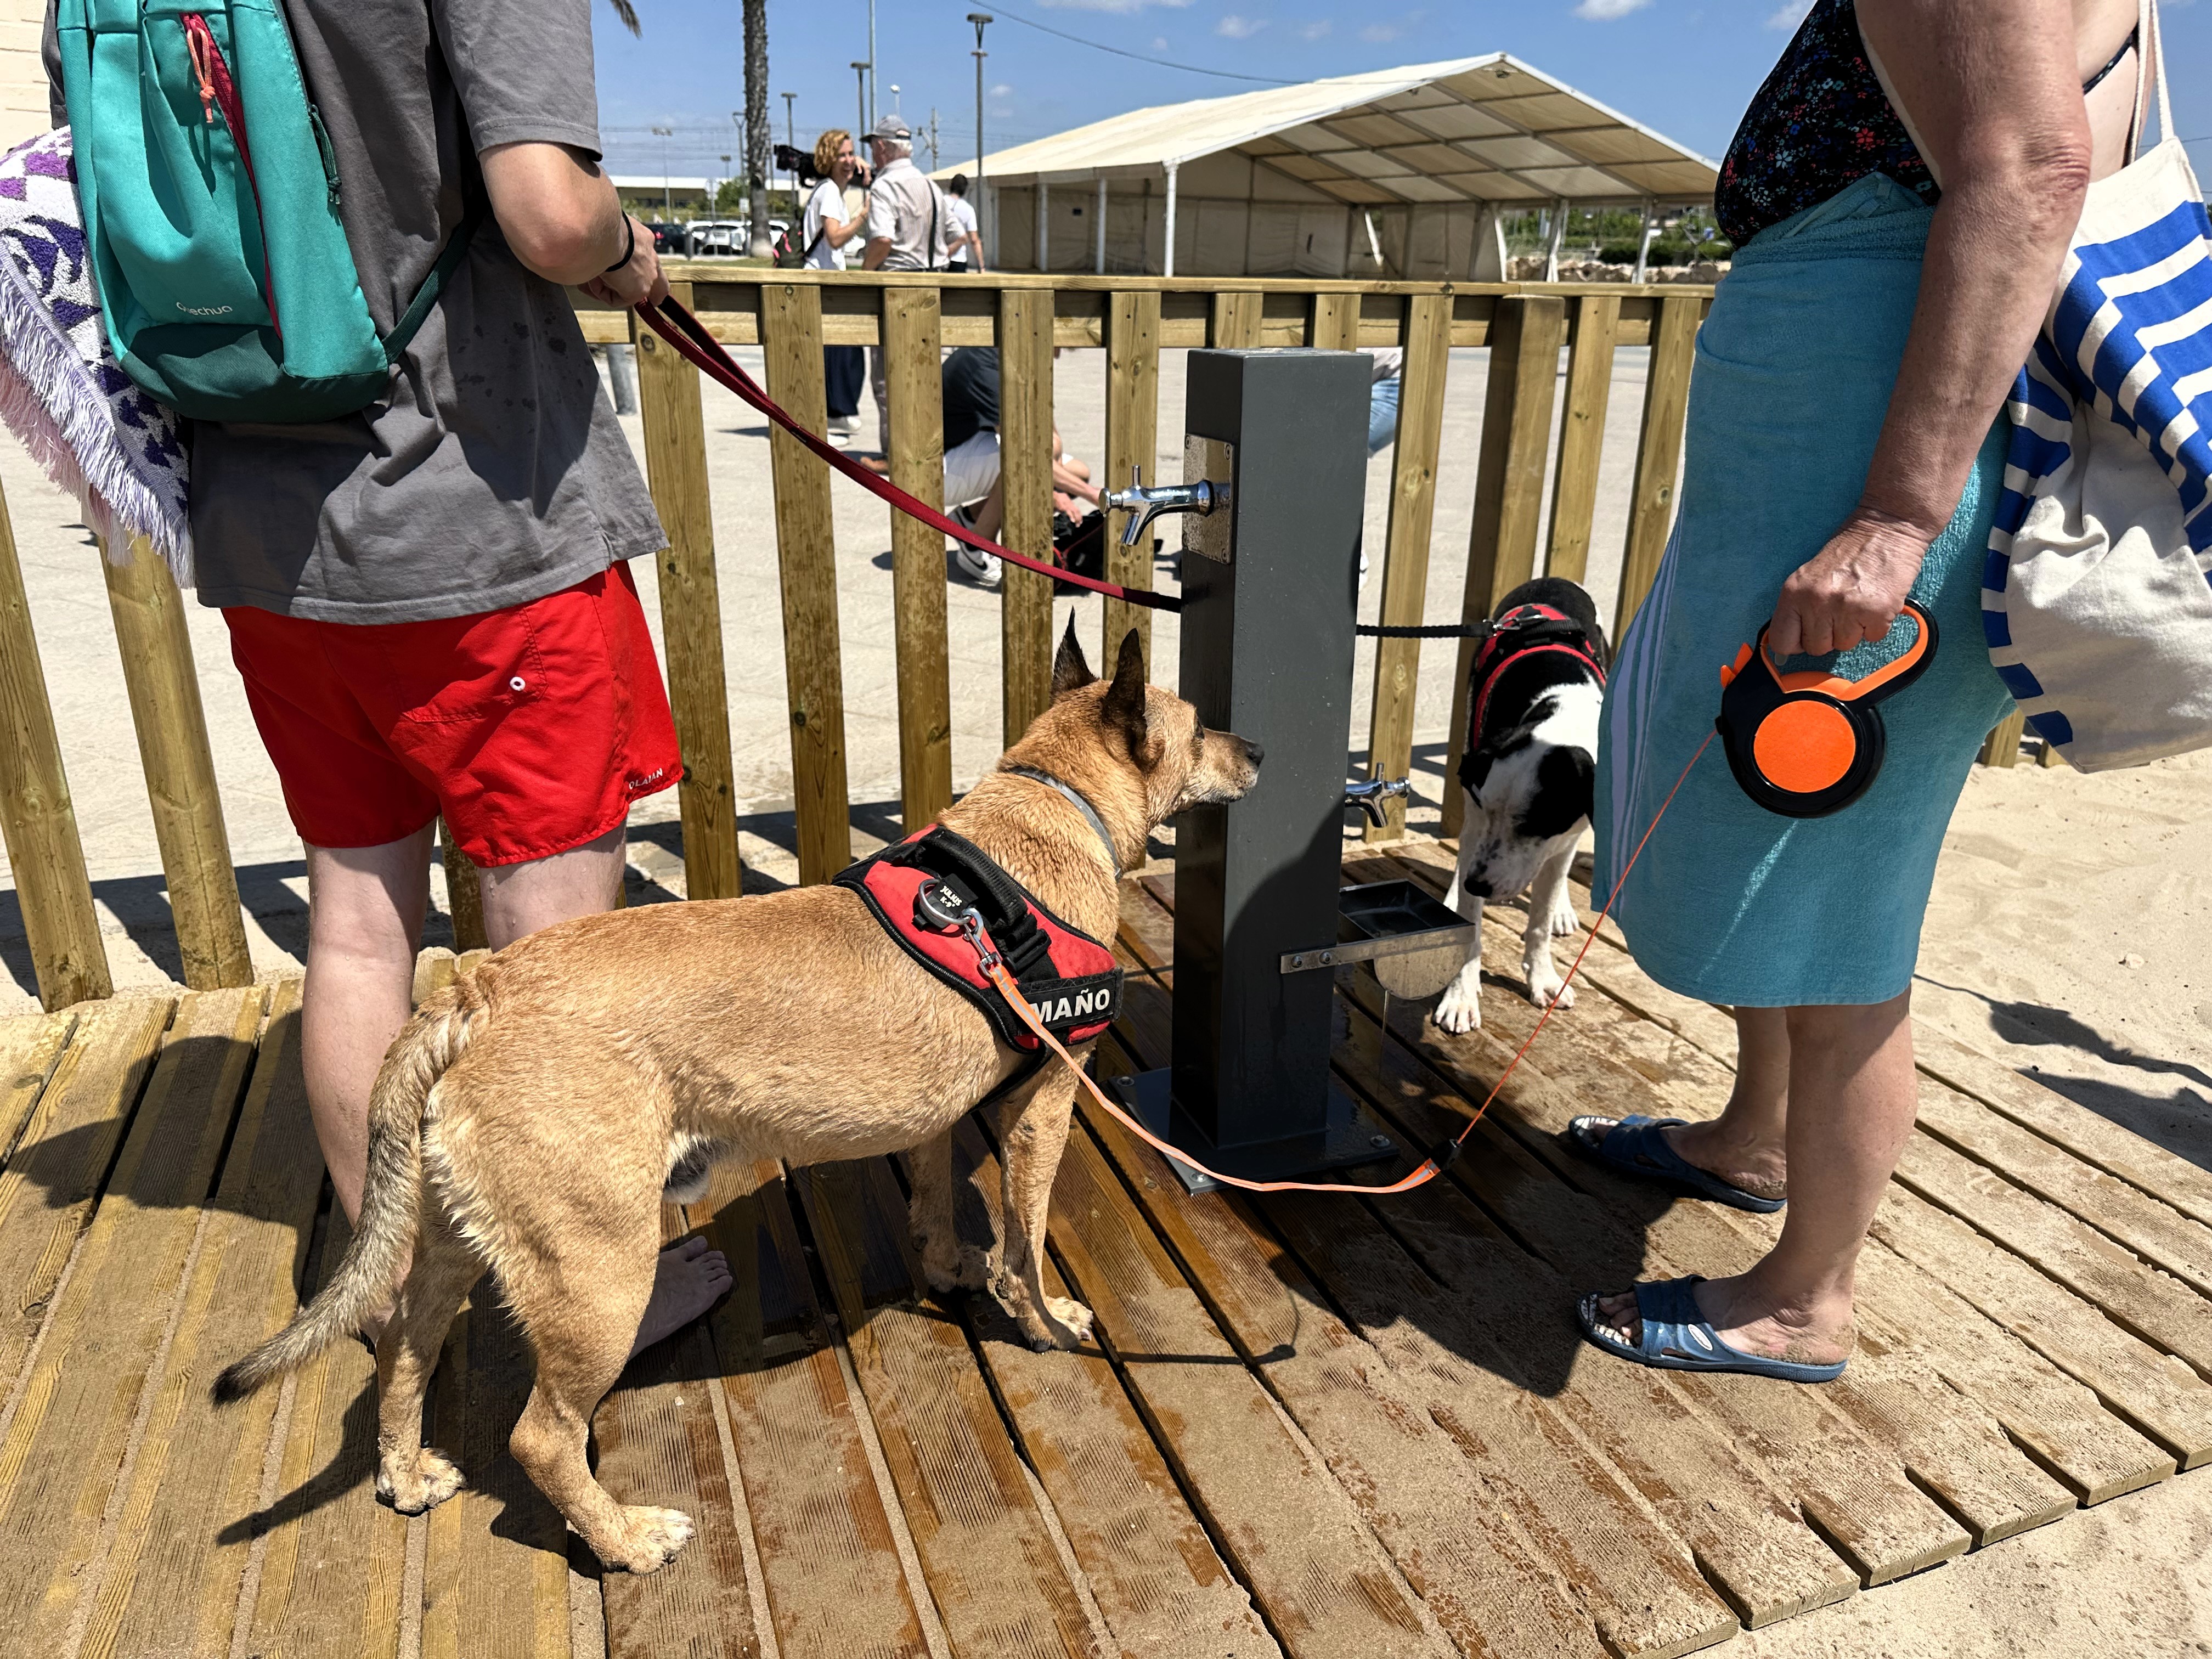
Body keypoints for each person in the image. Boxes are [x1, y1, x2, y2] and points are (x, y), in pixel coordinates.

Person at [42, 0, 733, 1350]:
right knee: (556, 969)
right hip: (479, 523)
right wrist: (633, 250)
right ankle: (578, 1303)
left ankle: (387, 1276)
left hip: (267, 526)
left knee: (359, 923)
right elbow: (546, 211)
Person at [1579, 0, 2137, 1382]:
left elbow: (2031, 166)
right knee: (1772, 851)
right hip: (1819, 458)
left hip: (1865, 474)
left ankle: (1802, 1300)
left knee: (1829, 892)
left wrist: (1894, 518)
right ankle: (1753, 1137)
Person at [861, 114, 951, 454]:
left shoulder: (884, 186)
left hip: (897, 289)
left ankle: (894, 453)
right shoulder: (931, 186)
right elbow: (955, 235)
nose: (872, 152)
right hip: (935, 287)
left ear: (882, 146)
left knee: (887, 378)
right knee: (929, 375)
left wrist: (866, 274)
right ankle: (930, 446)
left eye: (873, 146)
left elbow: (882, 240)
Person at [802, 129, 867, 441]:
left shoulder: (828, 189)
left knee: (840, 349)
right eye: (841, 155)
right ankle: (836, 415)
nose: (849, 160)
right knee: (840, 349)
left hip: (825, 279)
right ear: (828, 159)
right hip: (823, 281)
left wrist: (860, 167)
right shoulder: (828, 192)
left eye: (851, 154)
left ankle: (838, 413)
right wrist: (862, 217)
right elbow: (835, 237)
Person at [945, 173, 985, 273]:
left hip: (939, 259)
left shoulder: (940, 202)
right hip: (959, 260)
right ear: (964, 189)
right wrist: (981, 267)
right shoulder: (968, 209)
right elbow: (974, 240)